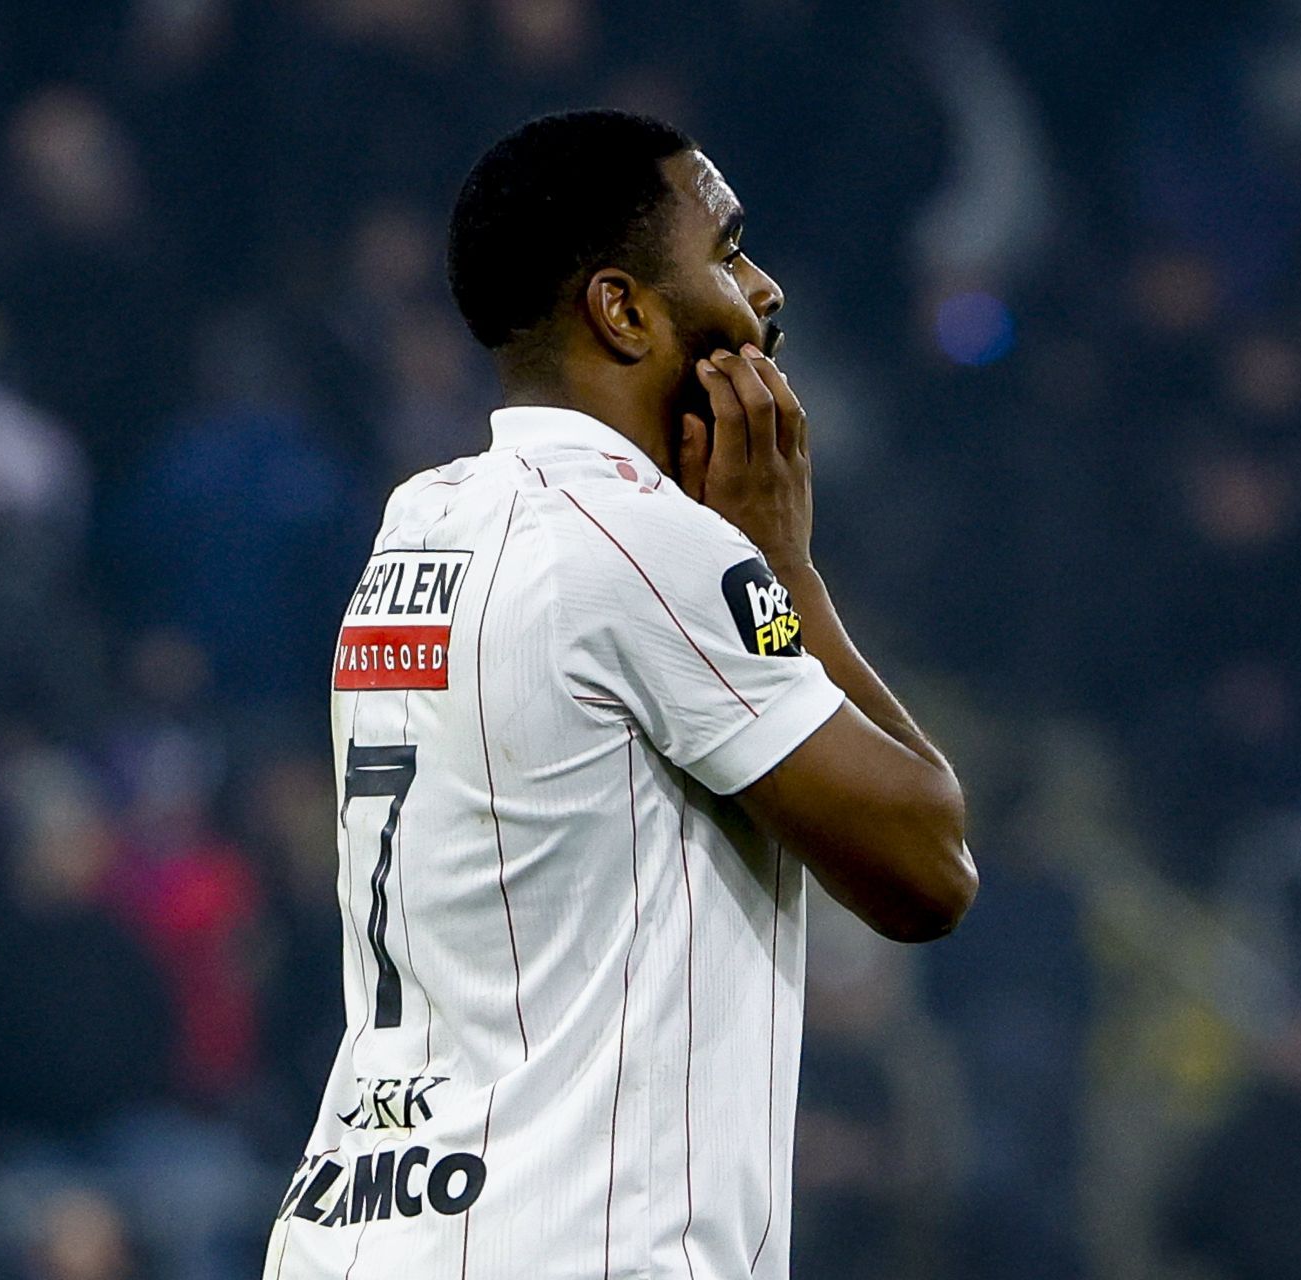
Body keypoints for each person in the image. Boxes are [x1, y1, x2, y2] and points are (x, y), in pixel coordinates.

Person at [261, 108, 976, 1280]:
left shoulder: (418, 523)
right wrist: (785, 570)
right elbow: (928, 864)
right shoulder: (645, 545)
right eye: (730, 251)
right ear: (623, 308)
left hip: (357, 1227)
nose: (766, 289)